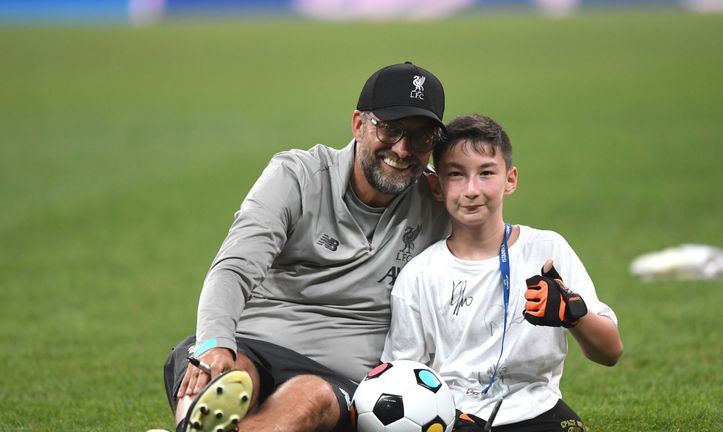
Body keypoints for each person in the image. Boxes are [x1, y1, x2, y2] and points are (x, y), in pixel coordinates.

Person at [160, 62, 452, 432]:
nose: (403, 148)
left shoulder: (440, 202)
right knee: (227, 374)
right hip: (253, 344)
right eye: (390, 129)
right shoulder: (296, 176)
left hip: (339, 379)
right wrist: (216, 344)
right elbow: (234, 268)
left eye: (421, 138)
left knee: (311, 396)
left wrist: (546, 285)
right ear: (359, 124)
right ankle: (199, 414)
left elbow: (492, 251)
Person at [380, 114, 623, 432]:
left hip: (537, 410)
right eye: (456, 174)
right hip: (454, 416)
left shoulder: (547, 250)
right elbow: (402, 377)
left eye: (485, 173)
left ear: (510, 179)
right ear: (436, 186)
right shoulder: (420, 275)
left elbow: (610, 352)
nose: (471, 189)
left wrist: (572, 314)